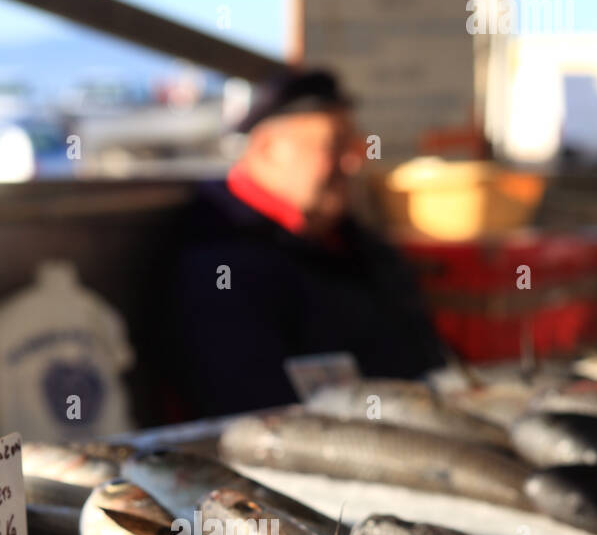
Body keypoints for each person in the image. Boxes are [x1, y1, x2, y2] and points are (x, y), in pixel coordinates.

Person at [162, 67, 445, 420]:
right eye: (334, 146)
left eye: (353, 143)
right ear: (267, 149)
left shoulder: (355, 244)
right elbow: (251, 410)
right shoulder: (219, 261)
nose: (353, 161)